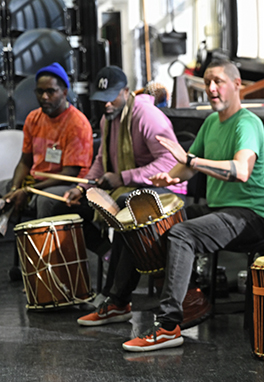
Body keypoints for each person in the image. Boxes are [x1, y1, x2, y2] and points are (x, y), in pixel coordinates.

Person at [118, 58, 264, 351]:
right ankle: (118, 301)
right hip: (221, 209)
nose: (211, 89)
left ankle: (168, 326)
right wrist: (169, 176)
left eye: (218, 82)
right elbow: (188, 168)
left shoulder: (248, 123)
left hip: (251, 213)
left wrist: (190, 161)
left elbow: (240, 171)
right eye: (206, 83)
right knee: (149, 220)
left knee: (182, 233)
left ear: (237, 84)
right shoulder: (211, 122)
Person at [60, 65, 188, 325]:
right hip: (135, 190)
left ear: (127, 92)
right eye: (101, 99)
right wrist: (81, 187)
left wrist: (123, 178)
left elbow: (168, 164)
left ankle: (116, 298)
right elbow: (100, 160)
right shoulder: (109, 118)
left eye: (112, 97)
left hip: (169, 189)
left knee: (123, 206)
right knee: (82, 205)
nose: (106, 104)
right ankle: (111, 272)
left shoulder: (146, 115)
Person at [0, 62, 92, 283]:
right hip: (33, 182)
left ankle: (42, 275)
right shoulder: (34, 119)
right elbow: (24, 161)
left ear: (64, 91)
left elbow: (70, 171)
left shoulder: (77, 123)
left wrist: (28, 190)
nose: (44, 97)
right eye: (40, 91)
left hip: (66, 185)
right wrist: (16, 188)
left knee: (46, 204)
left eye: (50, 91)